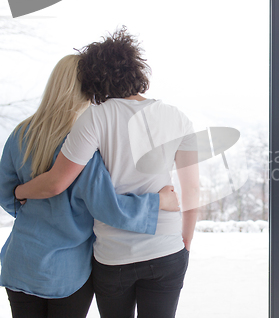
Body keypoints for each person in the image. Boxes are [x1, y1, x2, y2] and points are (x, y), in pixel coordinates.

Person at [15, 28, 200, 318]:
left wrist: (19, 191)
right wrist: (185, 242)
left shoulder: (95, 118)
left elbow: (57, 181)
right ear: (137, 70)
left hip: (114, 257)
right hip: (166, 247)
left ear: (94, 78)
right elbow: (191, 193)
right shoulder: (178, 117)